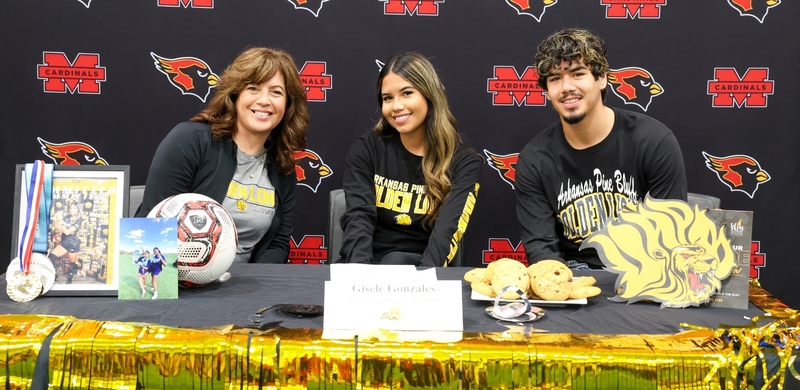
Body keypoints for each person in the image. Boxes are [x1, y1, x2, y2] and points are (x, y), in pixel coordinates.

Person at [515, 28, 687, 269]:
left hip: (645, 275)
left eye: (577, 74)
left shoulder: (653, 141)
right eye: (555, 78)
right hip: (573, 281)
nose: (566, 87)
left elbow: (670, 237)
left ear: (602, 78)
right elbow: (542, 251)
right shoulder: (535, 159)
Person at [137, 47, 310, 264]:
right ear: (235, 95)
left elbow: (277, 243)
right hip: (180, 284)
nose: (265, 101)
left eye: (276, 92)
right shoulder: (189, 140)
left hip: (245, 289)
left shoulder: (282, 164)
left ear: (288, 105)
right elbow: (152, 225)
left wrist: (259, 291)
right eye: (253, 88)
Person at [339, 51, 482, 266]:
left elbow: (446, 235)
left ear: (429, 95)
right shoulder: (367, 148)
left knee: (395, 260)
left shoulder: (464, 163)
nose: (396, 106)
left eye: (406, 93)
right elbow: (358, 219)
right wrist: (362, 280)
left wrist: (422, 287)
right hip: (366, 267)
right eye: (388, 98)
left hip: (423, 270)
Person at [48, 202, 83, 283]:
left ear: (78, 210)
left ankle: (69, 279)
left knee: (72, 264)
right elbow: (56, 225)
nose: (72, 210)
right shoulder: (66, 217)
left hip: (73, 245)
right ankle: (53, 274)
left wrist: (62, 225)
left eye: (74, 208)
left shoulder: (79, 220)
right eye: (71, 208)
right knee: (52, 256)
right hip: (64, 243)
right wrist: (65, 228)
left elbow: (67, 232)